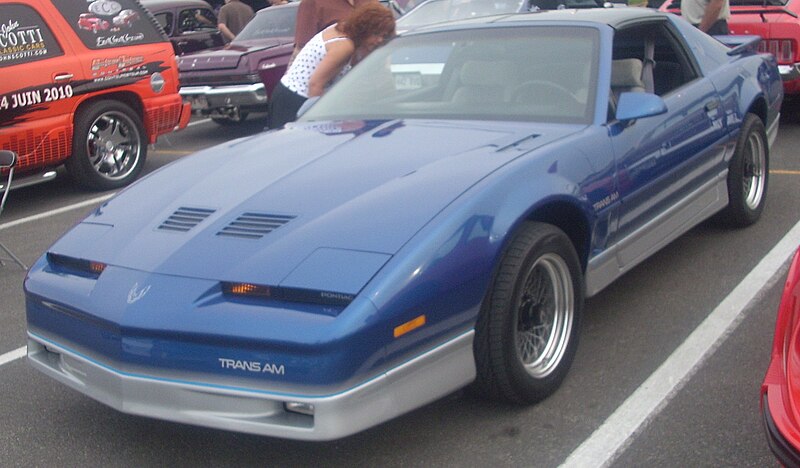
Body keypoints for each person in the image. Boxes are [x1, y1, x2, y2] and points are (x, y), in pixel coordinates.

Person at [268, 3, 395, 129]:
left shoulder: (345, 31)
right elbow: (315, 85)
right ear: (364, 28)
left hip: (291, 95)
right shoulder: (345, 46)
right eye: (376, 33)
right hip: (296, 100)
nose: (379, 40)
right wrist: (317, 121)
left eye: (383, 36)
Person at [292, 0, 378, 62]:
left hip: (371, 72)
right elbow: (301, 51)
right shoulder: (312, 3)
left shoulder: (370, 2)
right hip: (336, 80)